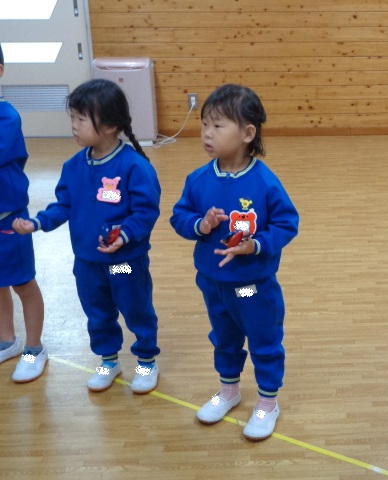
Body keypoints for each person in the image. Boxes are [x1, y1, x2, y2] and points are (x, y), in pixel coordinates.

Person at [13, 79, 162, 394]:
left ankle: (146, 361)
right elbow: (63, 205)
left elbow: (146, 212)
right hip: (87, 263)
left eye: (81, 119)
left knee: (136, 309)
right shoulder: (73, 166)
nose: (74, 126)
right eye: (73, 118)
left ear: (109, 125)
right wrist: (37, 223)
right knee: (97, 313)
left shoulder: (134, 167)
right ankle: (108, 360)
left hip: (124, 262)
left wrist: (125, 235)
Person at [170, 84, 299, 440]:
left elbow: (287, 223)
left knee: (263, 340)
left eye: (218, 126)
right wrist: (201, 224)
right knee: (224, 338)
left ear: (247, 133)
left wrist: (256, 245)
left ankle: (268, 402)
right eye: (204, 125)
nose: (207, 134)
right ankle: (228, 390)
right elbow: (179, 216)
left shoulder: (265, 182)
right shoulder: (198, 179)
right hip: (213, 284)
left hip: (251, 287)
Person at [0, 44, 48, 383]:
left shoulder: (7, 116)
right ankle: (8, 340)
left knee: (23, 283)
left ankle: (34, 348)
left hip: (9, 220)